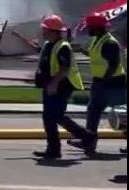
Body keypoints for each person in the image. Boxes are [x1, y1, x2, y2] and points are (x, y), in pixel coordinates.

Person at [35, 14, 97, 159]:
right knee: (49, 118)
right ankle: (53, 149)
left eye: (45, 29)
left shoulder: (63, 47)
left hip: (60, 87)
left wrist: (54, 84)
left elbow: (65, 68)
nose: (43, 31)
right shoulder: (49, 45)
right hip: (49, 86)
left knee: (56, 116)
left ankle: (87, 136)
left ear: (52, 30)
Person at [70, 13, 126, 153]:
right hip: (101, 83)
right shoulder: (98, 40)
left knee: (122, 114)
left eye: (89, 27)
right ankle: (89, 142)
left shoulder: (109, 43)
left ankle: (89, 142)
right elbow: (97, 56)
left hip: (112, 84)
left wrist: (104, 81)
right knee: (93, 112)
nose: (87, 29)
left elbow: (114, 64)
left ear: (97, 27)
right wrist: (81, 50)